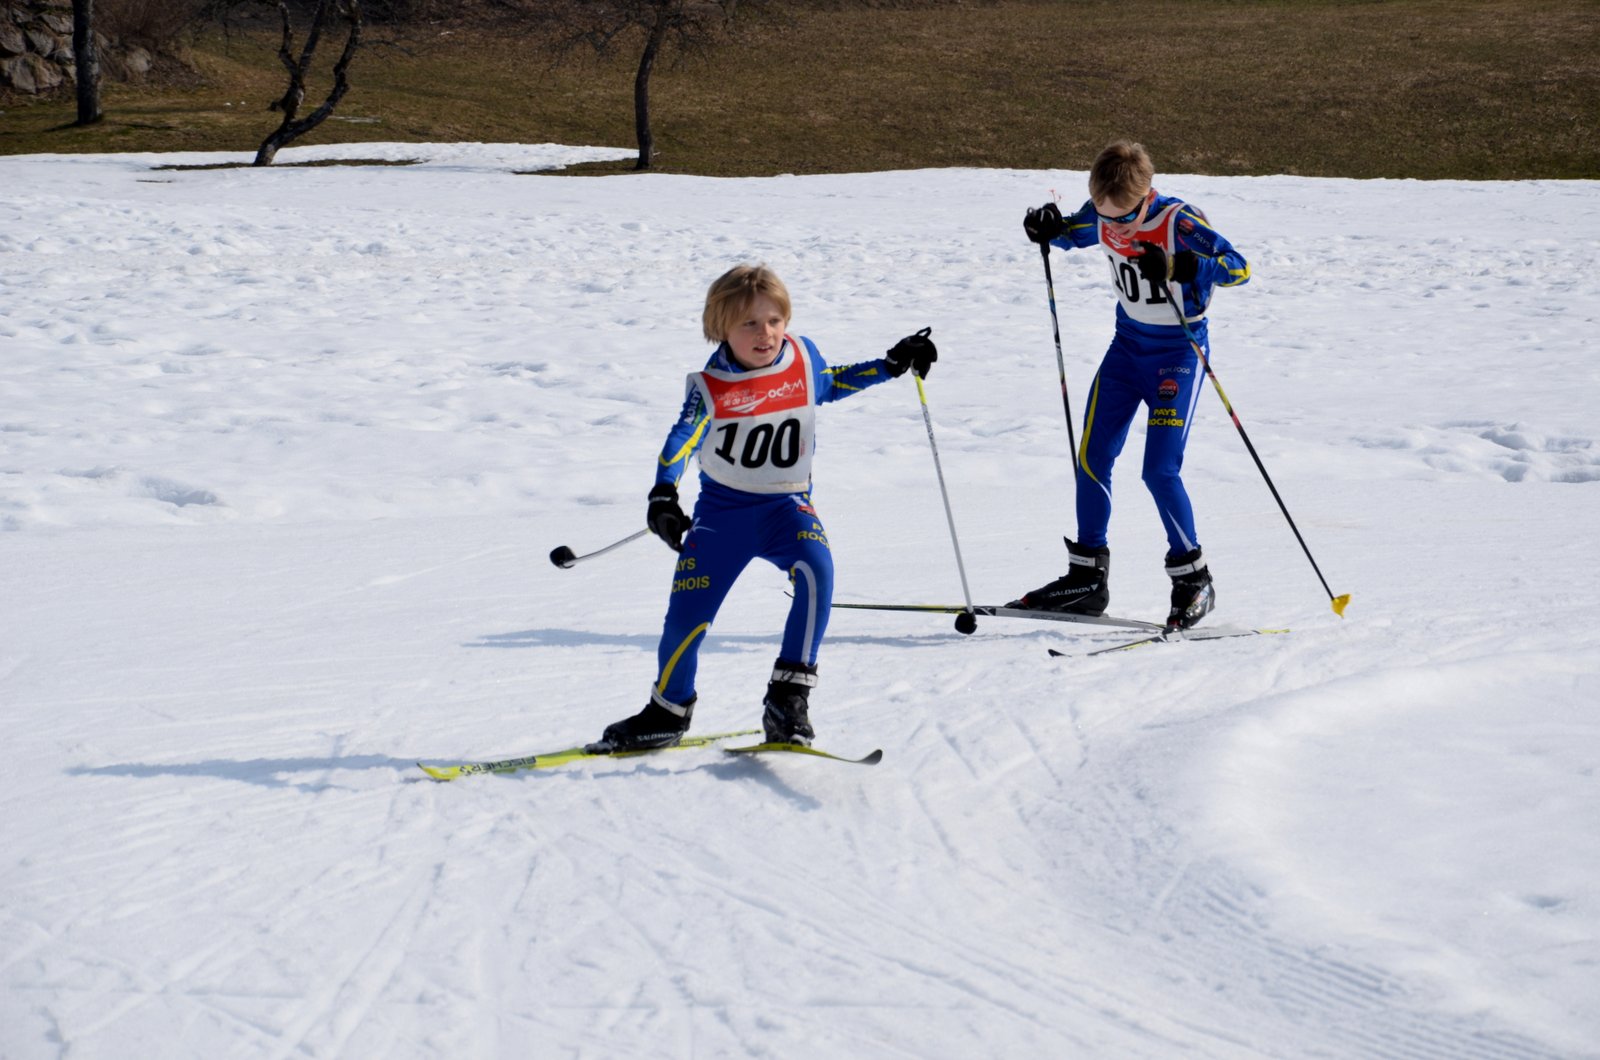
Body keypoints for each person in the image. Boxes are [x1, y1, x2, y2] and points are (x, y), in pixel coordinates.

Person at [595, 264, 937, 752]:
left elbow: (831, 384)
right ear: (721, 329)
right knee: (685, 619)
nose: (766, 334)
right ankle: (667, 711)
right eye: (749, 324)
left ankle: (788, 700)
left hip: (787, 507)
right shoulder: (710, 386)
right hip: (722, 516)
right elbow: (680, 440)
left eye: (774, 320)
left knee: (818, 572)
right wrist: (662, 495)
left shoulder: (800, 356)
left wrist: (891, 364)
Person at [1011, 139, 1251, 631]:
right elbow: (1073, 232)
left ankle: (1193, 578)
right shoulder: (1102, 213)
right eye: (1105, 215)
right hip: (1126, 351)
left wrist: (1180, 265)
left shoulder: (1178, 221)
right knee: (1092, 455)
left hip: (1176, 356)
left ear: (1144, 197)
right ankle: (1086, 578)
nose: (1113, 226)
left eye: (1121, 217)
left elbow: (1238, 267)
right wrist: (1047, 228)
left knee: (1159, 471)